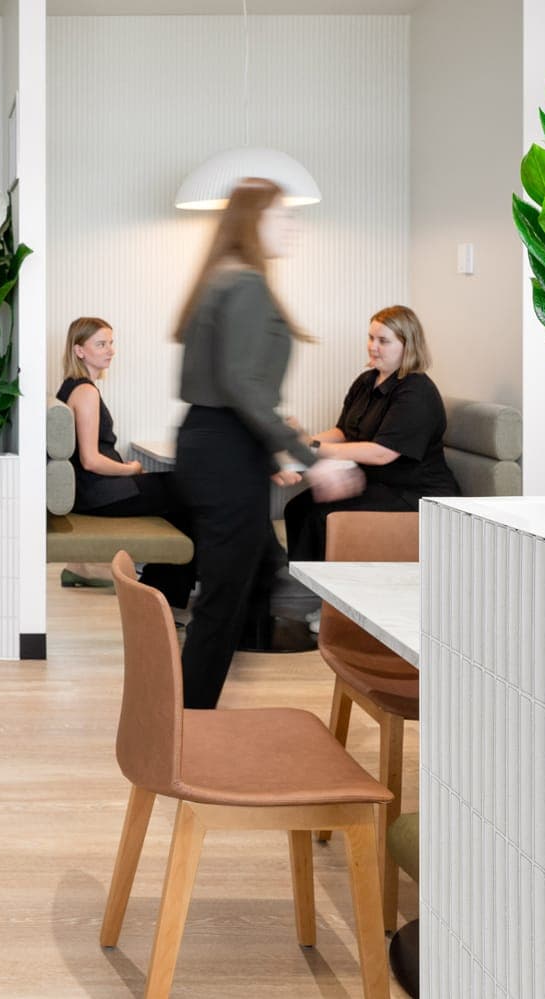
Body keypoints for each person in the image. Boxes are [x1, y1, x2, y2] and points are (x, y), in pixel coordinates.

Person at [172, 178, 362, 711]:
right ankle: (188, 716)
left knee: (255, 571)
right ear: (253, 221)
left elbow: (237, 388)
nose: (293, 225)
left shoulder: (223, 278)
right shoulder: (246, 284)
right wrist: (312, 459)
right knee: (225, 595)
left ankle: (212, 685)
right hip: (225, 450)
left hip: (217, 443)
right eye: (283, 215)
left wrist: (273, 447)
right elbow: (242, 384)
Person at [283, 305, 459, 569]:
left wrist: (314, 448)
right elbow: (343, 432)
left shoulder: (416, 392)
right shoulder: (367, 381)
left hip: (415, 495)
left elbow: (382, 453)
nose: (373, 347)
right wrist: (302, 443)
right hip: (378, 485)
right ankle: (307, 588)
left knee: (322, 515)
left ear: (407, 345)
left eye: (383, 341)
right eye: (371, 338)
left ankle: (323, 598)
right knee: (298, 507)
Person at [54, 317, 192, 604]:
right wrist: (130, 468)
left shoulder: (70, 387)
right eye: (101, 344)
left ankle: (162, 591)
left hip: (93, 490)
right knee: (189, 490)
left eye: (111, 343)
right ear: (80, 351)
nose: (110, 350)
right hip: (100, 493)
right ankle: (165, 593)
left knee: (182, 496)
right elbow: (91, 460)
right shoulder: (86, 392)